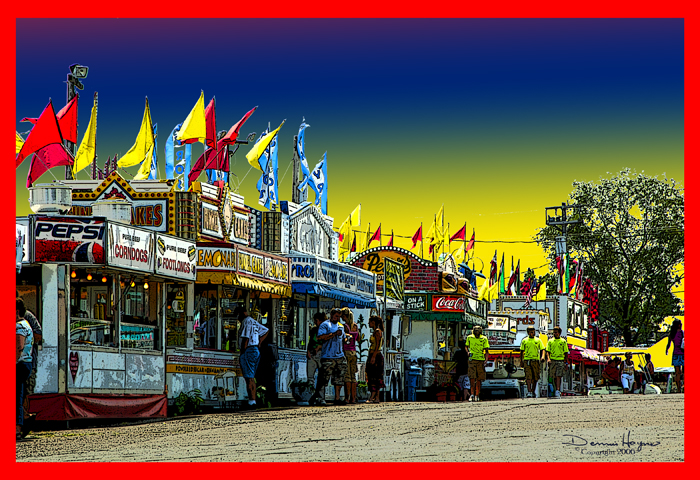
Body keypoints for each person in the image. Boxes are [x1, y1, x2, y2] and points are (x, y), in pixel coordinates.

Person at [16, 291, 42, 438]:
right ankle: (23, 422)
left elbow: (38, 335)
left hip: (25, 362)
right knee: (19, 394)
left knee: (23, 393)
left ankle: (23, 423)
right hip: (24, 361)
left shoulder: (26, 319)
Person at [310, 309, 348, 406]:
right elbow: (320, 337)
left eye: (339, 316)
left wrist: (347, 338)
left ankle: (337, 398)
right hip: (328, 355)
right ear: (331, 315)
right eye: (336, 316)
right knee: (324, 378)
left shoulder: (341, 326)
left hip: (339, 355)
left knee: (339, 377)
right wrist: (334, 334)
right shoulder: (325, 325)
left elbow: (343, 338)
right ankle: (320, 398)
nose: (337, 318)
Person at [236, 307, 269, 407]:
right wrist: (259, 342)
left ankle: (252, 401)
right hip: (255, 350)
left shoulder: (246, 322)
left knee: (248, 377)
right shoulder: (253, 321)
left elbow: (246, 338)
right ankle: (253, 400)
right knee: (251, 377)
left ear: (241, 314)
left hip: (249, 350)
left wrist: (242, 351)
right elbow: (266, 330)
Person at [16, 298, 34, 442]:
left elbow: (19, 346)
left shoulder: (19, 326)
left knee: (15, 398)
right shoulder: (26, 324)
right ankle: (18, 428)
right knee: (19, 396)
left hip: (19, 364)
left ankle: (17, 428)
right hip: (26, 364)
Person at [466, 325, 489, 402]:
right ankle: (472, 394)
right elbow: (466, 346)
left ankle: (477, 395)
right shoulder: (469, 337)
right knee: (472, 378)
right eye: (475, 330)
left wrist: (486, 360)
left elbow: (486, 350)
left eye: (478, 330)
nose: (477, 332)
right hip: (472, 359)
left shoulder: (484, 338)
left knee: (479, 378)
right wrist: (468, 352)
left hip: (480, 360)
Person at [520, 326, 544, 398]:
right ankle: (529, 391)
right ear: (528, 332)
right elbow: (521, 351)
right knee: (528, 376)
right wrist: (521, 360)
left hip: (535, 360)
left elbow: (542, 349)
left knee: (535, 377)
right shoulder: (524, 340)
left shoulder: (538, 340)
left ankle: (533, 391)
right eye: (530, 331)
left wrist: (542, 357)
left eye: (533, 331)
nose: (532, 333)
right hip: (527, 360)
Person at [545, 326, 569, 398]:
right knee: (554, 376)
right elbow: (547, 351)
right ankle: (556, 389)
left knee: (559, 375)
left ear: (559, 333)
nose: (554, 334)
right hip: (553, 360)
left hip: (560, 360)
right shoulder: (550, 341)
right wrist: (548, 359)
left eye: (556, 332)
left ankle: (558, 390)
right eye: (554, 332)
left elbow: (566, 353)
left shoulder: (563, 341)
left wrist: (566, 362)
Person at [366, 316, 385, 404]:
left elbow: (377, 345)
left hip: (375, 355)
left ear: (373, 322)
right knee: (375, 376)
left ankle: (373, 396)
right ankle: (376, 397)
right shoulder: (378, 331)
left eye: (370, 322)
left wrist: (373, 356)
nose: (368, 324)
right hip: (375, 355)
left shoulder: (377, 332)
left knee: (374, 376)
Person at [306, 312, 325, 394]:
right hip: (313, 353)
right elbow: (310, 341)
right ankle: (310, 394)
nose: (315, 322)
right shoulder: (314, 330)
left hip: (321, 354)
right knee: (310, 376)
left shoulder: (326, 330)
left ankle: (320, 396)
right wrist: (308, 350)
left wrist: (320, 347)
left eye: (316, 320)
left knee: (321, 377)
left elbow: (328, 343)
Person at [665, 318, 684, 393]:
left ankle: (678, 388)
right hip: (683, 353)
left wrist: (666, 350)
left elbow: (668, 344)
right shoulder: (682, 333)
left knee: (677, 373)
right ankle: (684, 387)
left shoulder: (672, 334)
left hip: (675, 353)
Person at [343, 321, 360, 404]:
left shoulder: (348, 332)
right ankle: (353, 398)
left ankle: (347, 397)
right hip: (354, 352)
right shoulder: (356, 334)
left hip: (347, 352)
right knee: (353, 377)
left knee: (347, 377)